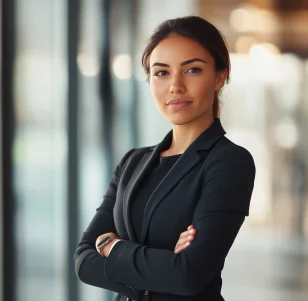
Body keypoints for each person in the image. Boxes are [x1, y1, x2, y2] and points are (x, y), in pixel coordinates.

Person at [74, 16, 256, 301]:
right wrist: (161, 265)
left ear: (220, 76)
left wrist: (113, 248)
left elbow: (187, 276)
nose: (175, 86)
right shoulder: (133, 163)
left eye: (193, 70)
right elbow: (83, 261)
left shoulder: (230, 162)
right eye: (161, 73)